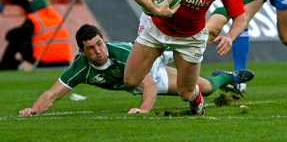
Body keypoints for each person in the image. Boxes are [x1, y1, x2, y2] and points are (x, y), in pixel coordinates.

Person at [124, 0, 247, 115]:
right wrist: (154, 9)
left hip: (190, 36)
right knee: (131, 80)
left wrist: (230, 36)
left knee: (186, 92)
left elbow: (240, 18)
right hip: (157, 28)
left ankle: (197, 97)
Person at [19, 24, 254, 116]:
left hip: (152, 56)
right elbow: (52, 93)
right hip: (154, 72)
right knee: (204, 88)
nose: (99, 51)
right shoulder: (81, 68)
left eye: (100, 43)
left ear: (104, 39)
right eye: (91, 48)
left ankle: (221, 28)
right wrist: (33, 110)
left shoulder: (120, 55)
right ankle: (226, 77)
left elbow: (146, 85)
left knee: (198, 45)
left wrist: (143, 110)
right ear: (82, 52)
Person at [0, 0, 72, 71]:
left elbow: (12, 35)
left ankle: (5, 66)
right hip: (64, 62)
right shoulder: (57, 17)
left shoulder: (35, 18)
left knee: (15, 41)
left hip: (43, 62)